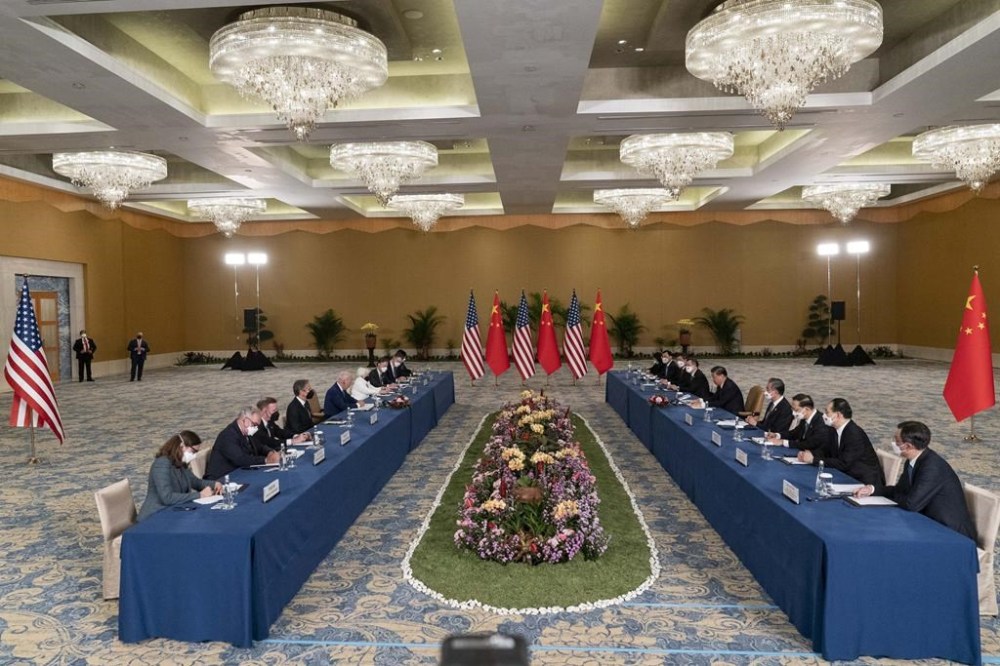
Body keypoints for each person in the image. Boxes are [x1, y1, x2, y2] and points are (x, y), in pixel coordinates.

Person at [854, 421, 976, 540]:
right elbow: (900, 490)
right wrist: (872, 489)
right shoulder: (912, 460)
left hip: (950, 533)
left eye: (896, 441)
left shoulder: (932, 467)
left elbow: (911, 504)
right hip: (927, 521)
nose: (893, 443)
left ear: (908, 446)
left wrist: (899, 496)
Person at [797, 398, 883, 488]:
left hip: (863, 480)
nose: (824, 415)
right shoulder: (833, 429)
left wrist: (813, 460)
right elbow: (825, 450)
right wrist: (809, 454)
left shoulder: (854, 433)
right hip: (845, 473)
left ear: (838, 415)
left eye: (827, 412)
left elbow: (844, 463)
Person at [137, 433, 221, 521]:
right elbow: (167, 498)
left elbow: (196, 482)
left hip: (172, 511)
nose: (194, 455)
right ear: (182, 446)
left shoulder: (180, 463)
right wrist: (199, 495)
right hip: (154, 516)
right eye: (193, 451)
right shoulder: (161, 464)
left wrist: (214, 484)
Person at [204, 406, 280, 480]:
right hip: (221, 479)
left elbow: (260, 447)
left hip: (239, 473)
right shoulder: (228, 435)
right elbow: (241, 459)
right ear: (246, 420)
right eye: (255, 425)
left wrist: (270, 452)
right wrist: (266, 460)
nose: (256, 428)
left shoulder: (246, 432)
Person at [765, 394, 831, 451]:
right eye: (792, 409)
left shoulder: (821, 421)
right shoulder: (804, 418)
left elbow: (810, 444)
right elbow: (794, 433)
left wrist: (783, 442)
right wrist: (777, 435)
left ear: (807, 409)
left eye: (796, 410)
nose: (793, 413)